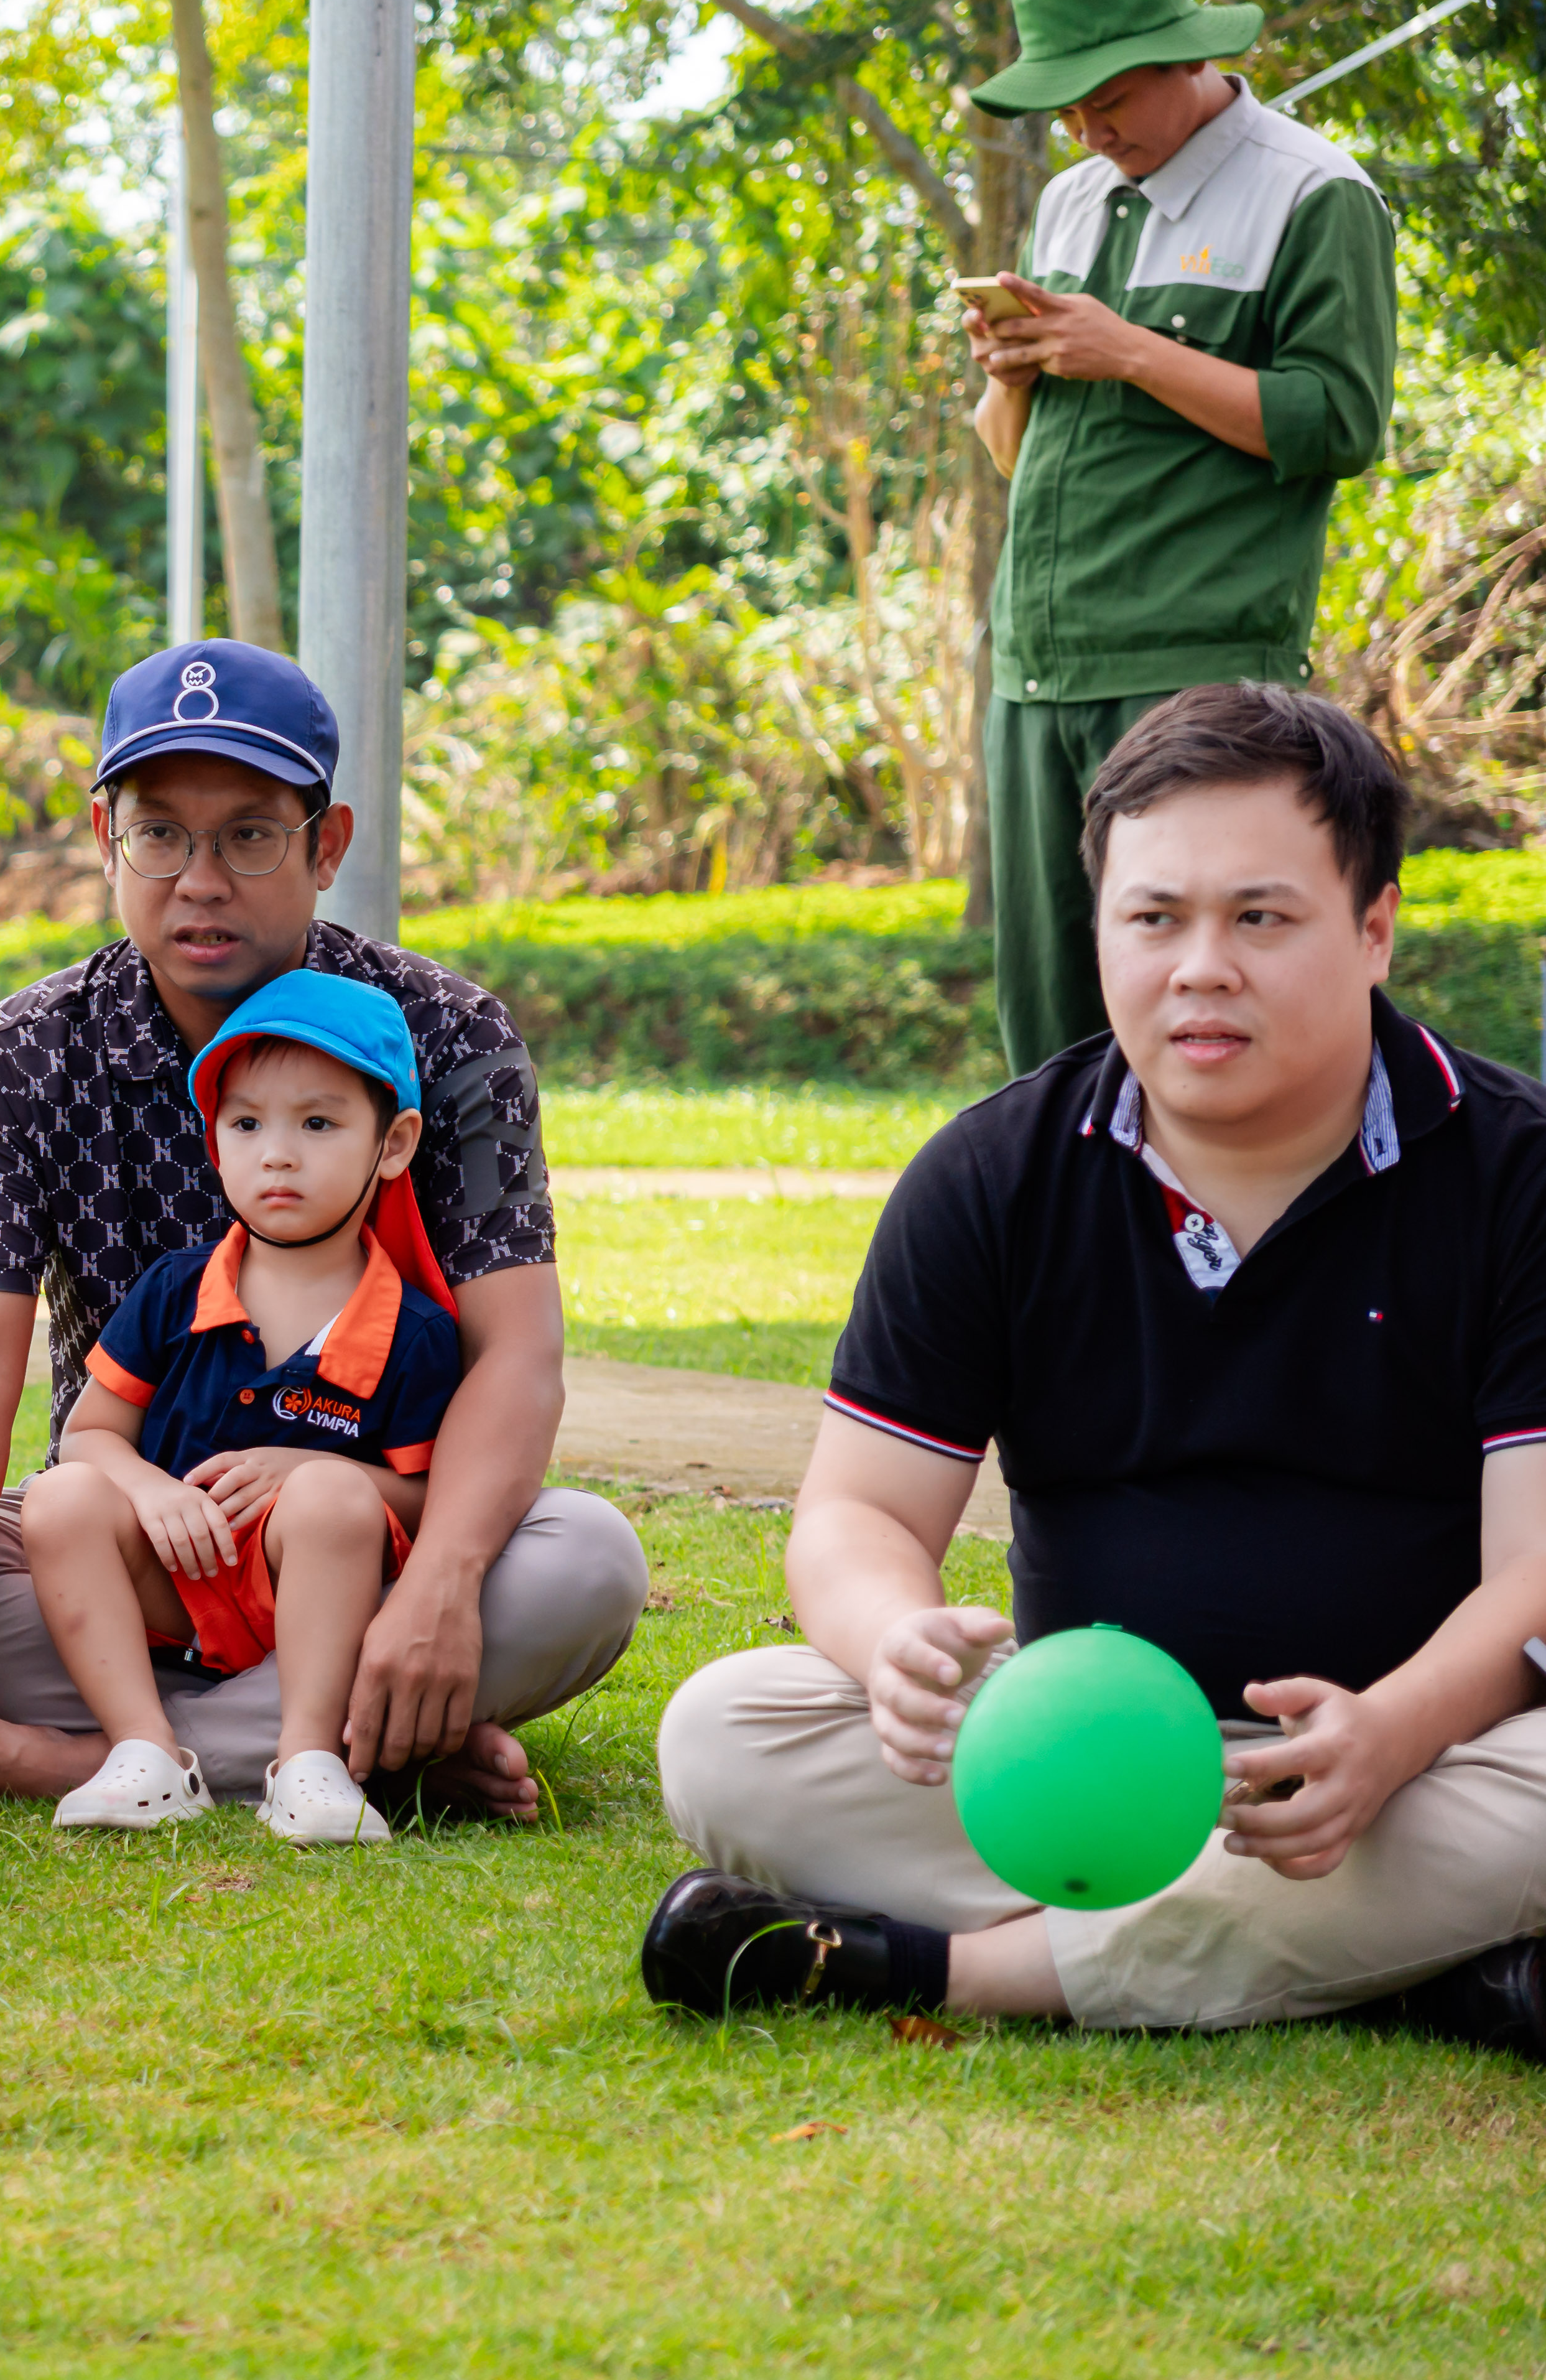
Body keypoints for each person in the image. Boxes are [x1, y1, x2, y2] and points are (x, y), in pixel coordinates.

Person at [643, 685, 1546, 2050]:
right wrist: (894, 1643)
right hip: (1080, 1762)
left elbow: (1536, 1573)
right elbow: (859, 1513)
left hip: (1422, 1759)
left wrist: (1393, 1733)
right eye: (1154, 918)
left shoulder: (1516, 1173)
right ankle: (1410, 1960)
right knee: (729, 1729)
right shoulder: (995, 1173)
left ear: (1375, 928)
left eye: (1261, 918)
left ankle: (934, 1970)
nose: (1201, 968)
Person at [0, 639, 647, 1820]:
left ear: (327, 845)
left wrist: (440, 1590)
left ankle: (88, 1756)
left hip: (367, 1528)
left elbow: (517, 1353)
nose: (200, 880)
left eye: (251, 836)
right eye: (160, 834)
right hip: (130, 1550)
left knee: (589, 1563)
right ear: (105, 837)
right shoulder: (22, 1055)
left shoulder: (448, 1035)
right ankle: (355, 1740)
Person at [958, 0, 1397, 1076]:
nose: (1087, 132)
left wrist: (1132, 351)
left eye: (1107, 101)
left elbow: (1339, 423)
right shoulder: (1069, 200)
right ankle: (1062, 1202)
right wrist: (1012, 374)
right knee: (1047, 1026)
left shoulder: (1312, 192)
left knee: (1189, 1012)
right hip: (1036, 671)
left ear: (1186, 60)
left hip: (1190, 667)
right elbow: (1014, 454)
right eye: (1066, 111)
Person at [21, 972, 460, 1849]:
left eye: (318, 1124)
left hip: (319, 1600)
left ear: (395, 1144)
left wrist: (313, 1470)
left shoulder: (413, 1331)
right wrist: (151, 1491)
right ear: (215, 1140)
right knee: (60, 1496)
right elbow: (90, 1435)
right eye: (247, 1124)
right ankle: (145, 1752)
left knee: (332, 1497)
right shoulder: (175, 1289)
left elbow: (428, 1499)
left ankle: (308, 1763)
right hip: (175, 1581)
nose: (278, 1154)